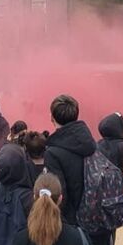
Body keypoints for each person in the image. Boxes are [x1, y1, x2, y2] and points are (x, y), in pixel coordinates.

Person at [42, 94, 95, 227]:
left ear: (52, 118)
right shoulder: (91, 144)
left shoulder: (52, 153)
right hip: (95, 216)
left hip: (71, 223)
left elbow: (58, 193)